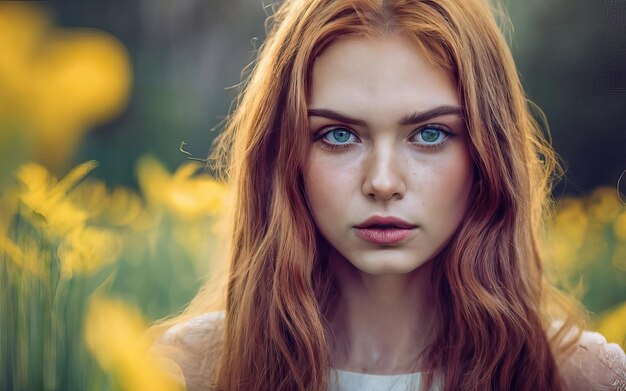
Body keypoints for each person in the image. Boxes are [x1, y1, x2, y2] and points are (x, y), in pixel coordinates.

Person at [149, 0, 626, 390]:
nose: (382, 181)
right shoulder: (187, 373)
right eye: (338, 135)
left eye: (430, 134)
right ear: (284, 155)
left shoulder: (583, 378)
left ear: (488, 154)